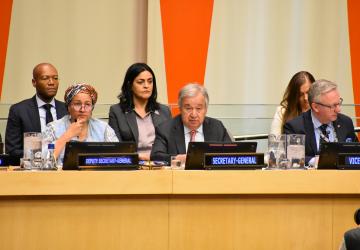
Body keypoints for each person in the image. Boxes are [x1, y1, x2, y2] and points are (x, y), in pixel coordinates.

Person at [150, 83, 232, 163]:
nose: (193, 114)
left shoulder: (217, 127)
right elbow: (155, 156)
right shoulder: (165, 129)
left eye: (199, 108)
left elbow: (231, 154)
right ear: (180, 108)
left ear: (206, 109)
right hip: (178, 176)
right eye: (188, 108)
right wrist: (176, 158)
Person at [5, 63, 67, 165]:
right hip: (32, 172)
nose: (51, 82)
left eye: (55, 78)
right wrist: (43, 158)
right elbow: (12, 150)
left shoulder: (67, 109)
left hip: (64, 172)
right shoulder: (19, 110)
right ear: (34, 82)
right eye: (45, 78)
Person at [283, 79, 358, 165]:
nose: (338, 110)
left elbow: (356, 153)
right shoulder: (295, 127)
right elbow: (289, 156)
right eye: (333, 106)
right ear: (315, 107)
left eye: (338, 103)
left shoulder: (345, 123)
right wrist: (314, 161)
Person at [108, 63, 172, 160]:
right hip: (132, 165)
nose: (146, 86)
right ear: (130, 85)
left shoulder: (164, 111)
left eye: (150, 81)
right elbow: (116, 147)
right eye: (140, 82)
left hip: (160, 164)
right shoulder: (117, 111)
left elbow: (170, 145)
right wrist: (140, 157)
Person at [43, 83, 118, 165]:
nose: (82, 109)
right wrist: (68, 135)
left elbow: (118, 158)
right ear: (68, 107)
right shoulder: (53, 128)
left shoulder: (103, 128)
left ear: (92, 108)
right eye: (77, 104)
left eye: (87, 104)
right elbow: (43, 162)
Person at [270, 71, 315, 136]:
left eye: (308, 92)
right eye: (300, 94)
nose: (306, 98)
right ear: (294, 95)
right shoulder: (282, 111)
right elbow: (274, 141)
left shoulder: (320, 110)